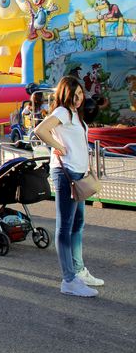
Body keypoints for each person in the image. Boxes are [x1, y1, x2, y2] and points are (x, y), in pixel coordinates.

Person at [34, 76, 103, 297]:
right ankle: (69, 280)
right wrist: (58, 147)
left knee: (78, 223)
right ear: (65, 94)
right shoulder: (63, 112)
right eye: (75, 94)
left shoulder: (75, 115)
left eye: (81, 94)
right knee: (65, 226)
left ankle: (79, 270)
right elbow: (40, 130)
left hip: (78, 174)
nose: (79, 98)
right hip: (66, 175)